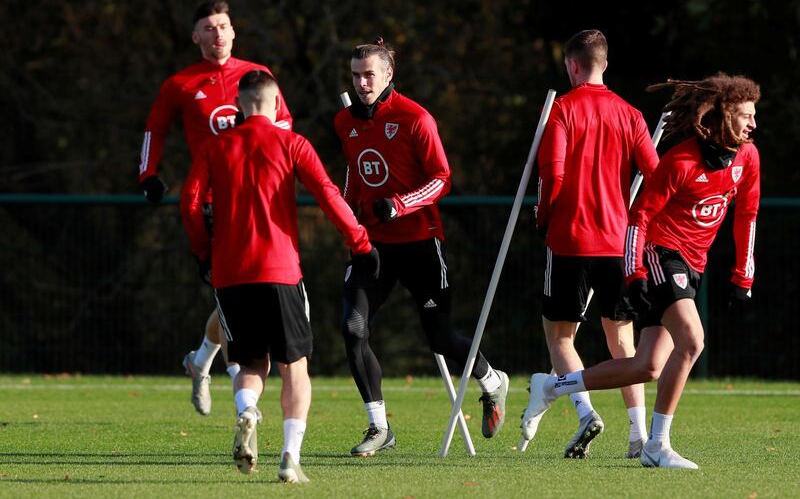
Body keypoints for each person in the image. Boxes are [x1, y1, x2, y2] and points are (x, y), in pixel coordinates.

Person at [522, 72, 760, 469]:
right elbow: (639, 218)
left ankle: (551, 385)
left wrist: (743, 275)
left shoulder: (748, 157)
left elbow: (748, 214)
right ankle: (656, 445)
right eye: (746, 115)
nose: (753, 124)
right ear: (722, 116)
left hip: (693, 263)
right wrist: (633, 273)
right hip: (662, 255)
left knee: (646, 367)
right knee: (693, 341)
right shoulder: (681, 160)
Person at [181, 70, 379, 482]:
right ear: (275, 104)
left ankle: (248, 412)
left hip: (231, 274)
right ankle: (290, 457)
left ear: (239, 104)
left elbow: (191, 201)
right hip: (280, 270)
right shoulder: (292, 143)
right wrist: (360, 242)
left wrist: (203, 251)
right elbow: (327, 193)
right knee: (295, 367)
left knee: (250, 363)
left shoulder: (216, 146)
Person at [335, 37, 508, 457]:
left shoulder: (416, 118)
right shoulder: (345, 122)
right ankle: (379, 427)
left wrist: (398, 204)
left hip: (419, 243)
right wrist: (349, 215)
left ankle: (492, 381)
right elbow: (354, 178)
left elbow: (441, 178)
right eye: (356, 75)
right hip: (373, 246)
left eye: (369, 74)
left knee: (440, 338)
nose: (362, 83)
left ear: (388, 74)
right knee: (353, 328)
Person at [138, 0, 293, 416]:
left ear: (234, 31)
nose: (217, 33)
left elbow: (285, 126)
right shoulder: (181, 84)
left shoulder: (256, 76)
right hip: (211, 202)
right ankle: (239, 384)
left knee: (232, 294)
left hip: (255, 199)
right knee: (229, 294)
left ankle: (202, 359)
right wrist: (148, 174)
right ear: (196, 36)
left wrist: (266, 152)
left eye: (223, 25)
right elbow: (155, 126)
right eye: (208, 27)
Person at [522, 30, 660, 459]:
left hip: (569, 240)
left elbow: (553, 175)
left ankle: (585, 413)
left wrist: (542, 215)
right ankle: (638, 435)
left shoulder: (563, 109)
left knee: (560, 337)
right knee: (623, 341)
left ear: (573, 65)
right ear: (604, 64)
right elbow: (654, 175)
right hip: (617, 242)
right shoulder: (631, 113)